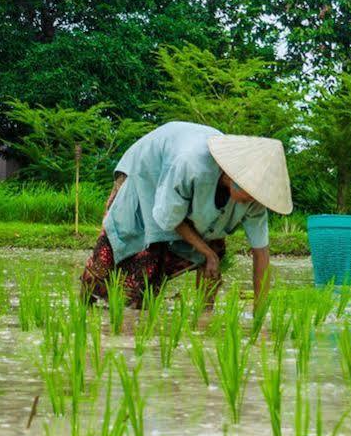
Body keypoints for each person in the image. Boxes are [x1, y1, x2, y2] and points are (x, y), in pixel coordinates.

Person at [79, 120, 292, 313]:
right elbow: (170, 219)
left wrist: (259, 315)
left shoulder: (254, 203)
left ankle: (204, 313)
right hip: (148, 171)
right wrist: (206, 252)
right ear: (231, 174)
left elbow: (261, 255)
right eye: (251, 191)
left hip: (185, 197)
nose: (253, 200)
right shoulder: (191, 166)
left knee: (215, 250)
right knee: (139, 253)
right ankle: (84, 310)